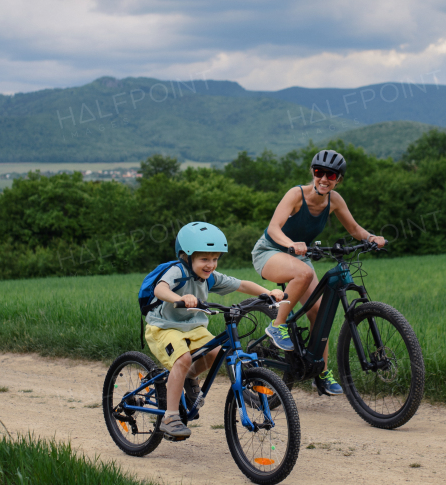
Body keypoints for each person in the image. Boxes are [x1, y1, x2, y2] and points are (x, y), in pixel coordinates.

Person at [251, 149, 384, 395]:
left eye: (331, 175)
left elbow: (354, 228)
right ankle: (277, 325)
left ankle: (320, 371)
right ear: (312, 172)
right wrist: (290, 243)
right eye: (319, 172)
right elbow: (273, 228)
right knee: (304, 274)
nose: (324, 178)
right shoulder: (296, 194)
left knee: (319, 312)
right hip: (269, 252)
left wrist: (371, 237)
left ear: (338, 179)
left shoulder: (335, 200)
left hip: (300, 256)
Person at [145, 221, 283, 440]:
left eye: (215, 259)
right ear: (186, 257)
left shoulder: (210, 278)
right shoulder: (177, 270)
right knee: (183, 359)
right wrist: (179, 298)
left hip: (193, 326)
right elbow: (160, 288)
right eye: (204, 259)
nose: (211, 265)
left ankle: (189, 379)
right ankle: (170, 417)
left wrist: (268, 293)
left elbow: (241, 284)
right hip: (164, 327)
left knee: (215, 353)